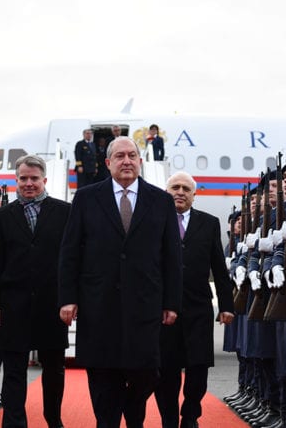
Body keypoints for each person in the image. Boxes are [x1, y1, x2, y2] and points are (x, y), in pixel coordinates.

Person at [59, 136, 183, 428]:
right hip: (98, 305)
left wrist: (172, 302)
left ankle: (132, 409)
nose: (126, 161)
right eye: (119, 156)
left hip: (145, 306)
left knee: (146, 374)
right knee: (103, 381)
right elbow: (70, 252)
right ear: (108, 163)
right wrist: (67, 298)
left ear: (140, 161)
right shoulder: (86, 198)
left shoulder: (161, 200)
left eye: (131, 155)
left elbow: (172, 256)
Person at [0, 154, 69, 428]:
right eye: (23, 178)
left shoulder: (65, 212)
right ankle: (14, 423)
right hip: (14, 304)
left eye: (34, 178)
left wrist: (71, 299)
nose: (29, 183)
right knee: (13, 370)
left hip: (52, 304)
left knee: (54, 369)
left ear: (44, 180)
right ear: (16, 180)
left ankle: (53, 420)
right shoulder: (2, 216)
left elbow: (72, 260)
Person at [153, 171, 234, 428]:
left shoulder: (209, 223)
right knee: (166, 371)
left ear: (194, 195)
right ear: (166, 193)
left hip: (198, 308)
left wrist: (226, 305)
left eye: (186, 189)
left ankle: (190, 417)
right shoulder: (153, 221)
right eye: (175, 187)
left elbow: (219, 267)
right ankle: (168, 419)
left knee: (198, 369)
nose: (180, 192)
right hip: (163, 309)